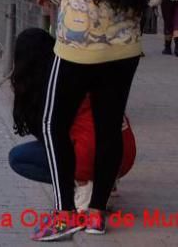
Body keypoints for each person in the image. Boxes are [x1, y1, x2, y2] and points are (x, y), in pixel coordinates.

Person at [36, 0, 155, 240]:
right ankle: (97, 213)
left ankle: (65, 212)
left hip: (76, 48)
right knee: (109, 128)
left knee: (53, 124)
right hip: (124, 52)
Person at [9, 28, 135, 213]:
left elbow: (49, 135)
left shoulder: (47, 87)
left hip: (89, 156)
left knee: (19, 157)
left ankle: (82, 184)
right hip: (124, 153)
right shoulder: (79, 72)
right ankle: (105, 184)